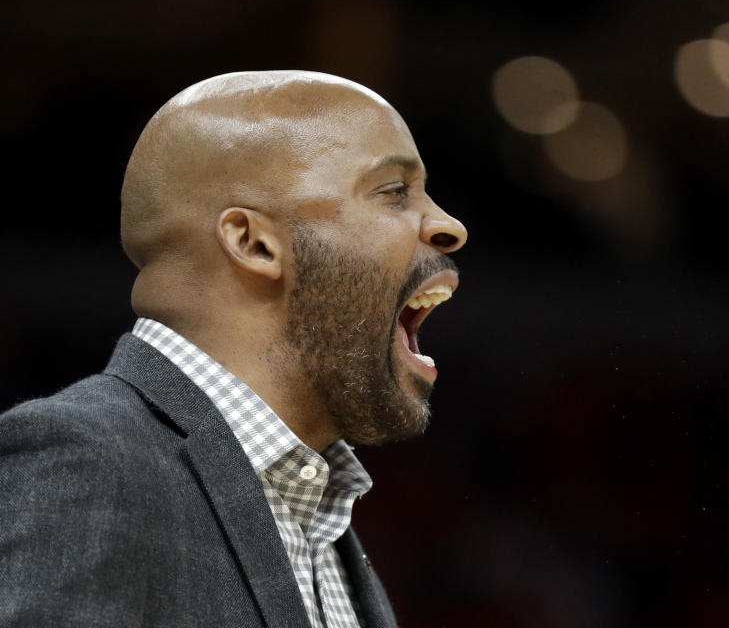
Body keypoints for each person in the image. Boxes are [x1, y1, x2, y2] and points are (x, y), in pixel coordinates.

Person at [0, 70, 468, 628]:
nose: (449, 225)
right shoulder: (85, 460)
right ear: (253, 243)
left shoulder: (322, 523)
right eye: (394, 192)